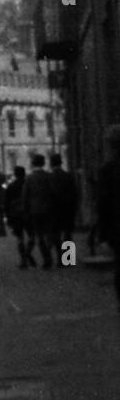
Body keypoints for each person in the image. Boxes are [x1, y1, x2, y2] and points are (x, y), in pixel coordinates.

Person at [93, 125, 120, 310]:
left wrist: (103, 235)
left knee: (62, 239)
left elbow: (102, 204)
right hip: (66, 214)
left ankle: (64, 261)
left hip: (117, 228)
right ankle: (63, 260)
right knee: (65, 236)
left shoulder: (107, 169)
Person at [23, 153, 57, 269]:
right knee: (50, 234)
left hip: (35, 210)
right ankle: (63, 259)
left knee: (39, 236)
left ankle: (47, 258)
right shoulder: (49, 176)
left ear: (33, 164)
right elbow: (53, 193)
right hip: (49, 209)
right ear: (43, 163)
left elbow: (25, 196)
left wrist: (26, 211)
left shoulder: (29, 178)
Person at [48, 153, 77, 258]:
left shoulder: (50, 177)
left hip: (54, 209)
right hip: (67, 208)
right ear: (61, 162)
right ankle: (68, 258)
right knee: (68, 233)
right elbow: (74, 193)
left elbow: (47, 194)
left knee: (56, 233)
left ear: (51, 163)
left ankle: (60, 257)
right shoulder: (68, 176)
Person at [4, 165, 33, 268]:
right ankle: (28, 254)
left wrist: (8, 217)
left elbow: (6, 203)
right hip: (28, 213)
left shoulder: (11, 186)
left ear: (15, 174)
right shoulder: (29, 184)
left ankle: (23, 260)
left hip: (16, 215)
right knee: (32, 237)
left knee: (20, 238)